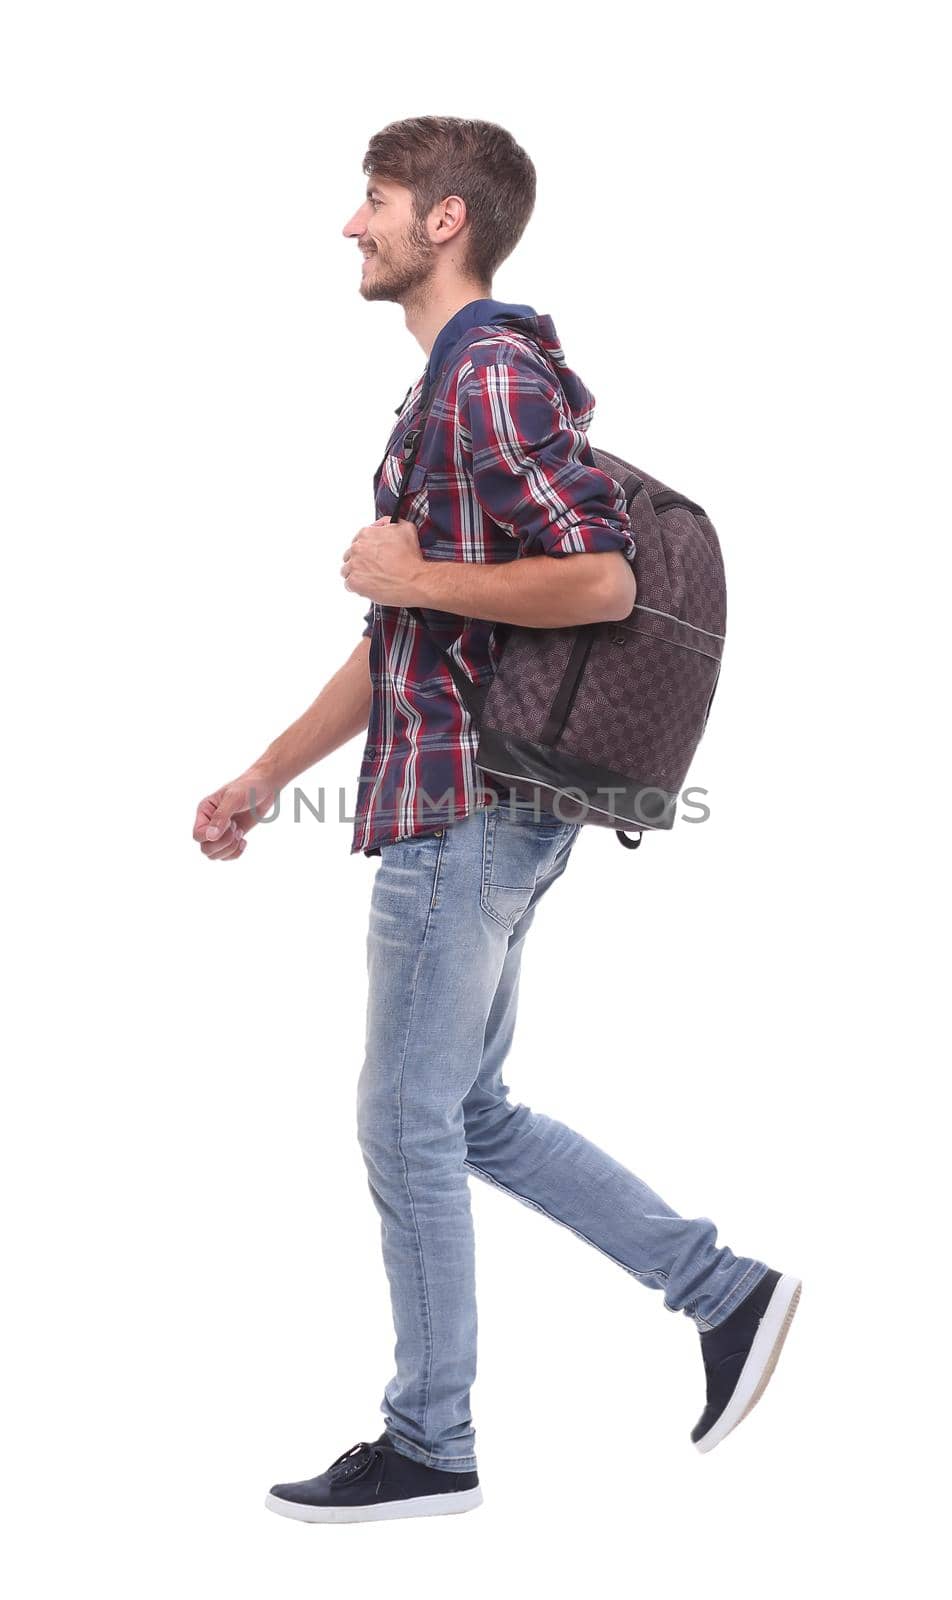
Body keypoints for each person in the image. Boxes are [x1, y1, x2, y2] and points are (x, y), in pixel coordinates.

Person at [192, 116, 800, 1526]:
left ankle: (431, 1441)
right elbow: (400, 632)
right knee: (464, 1112)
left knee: (404, 1122)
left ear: (447, 220)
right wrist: (266, 773)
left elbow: (599, 581)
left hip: (467, 811)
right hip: (472, 803)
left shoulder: (487, 383)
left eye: (377, 199)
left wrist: (412, 569)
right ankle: (726, 1292)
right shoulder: (454, 392)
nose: (355, 225)